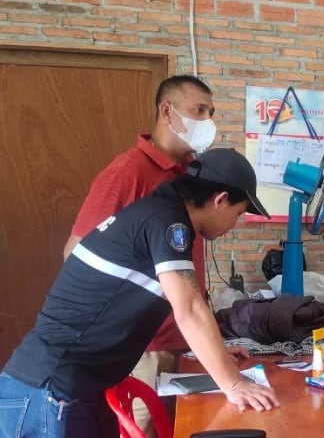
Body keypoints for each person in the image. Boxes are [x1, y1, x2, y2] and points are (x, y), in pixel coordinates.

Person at [0, 148, 279, 438]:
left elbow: (184, 302)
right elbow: (190, 310)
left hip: (73, 388)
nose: (233, 225)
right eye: (238, 213)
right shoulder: (168, 222)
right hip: (50, 391)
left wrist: (217, 351)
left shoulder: (156, 214)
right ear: (220, 200)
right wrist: (233, 384)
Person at [61, 75, 265, 436]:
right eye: (198, 111)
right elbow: (77, 254)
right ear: (167, 112)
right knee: (145, 429)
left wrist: (209, 349)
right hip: (144, 346)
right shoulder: (128, 174)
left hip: (181, 339)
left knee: (180, 428)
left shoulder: (192, 176)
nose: (207, 122)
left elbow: (187, 291)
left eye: (211, 113)